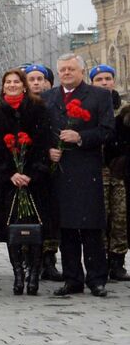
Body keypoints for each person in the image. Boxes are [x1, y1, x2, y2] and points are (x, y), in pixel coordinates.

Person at [45, 53, 115, 296]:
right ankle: (72, 278)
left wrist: (81, 137)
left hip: (86, 170)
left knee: (91, 228)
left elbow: (107, 131)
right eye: (62, 69)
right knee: (66, 228)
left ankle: (97, 279)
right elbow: (40, 131)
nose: (66, 73)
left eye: (71, 69)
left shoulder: (99, 96)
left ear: (82, 72)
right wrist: (48, 150)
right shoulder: (48, 97)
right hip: (60, 171)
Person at [0, 68, 53, 295]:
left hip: (35, 181)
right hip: (9, 183)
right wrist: (11, 173)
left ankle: (33, 274)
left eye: (16, 82)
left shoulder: (38, 109)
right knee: (13, 231)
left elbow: (43, 144)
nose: (12, 85)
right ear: (3, 87)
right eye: (8, 83)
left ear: (24, 86)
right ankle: (18, 275)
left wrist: (31, 173)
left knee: (35, 230)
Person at [24, 64, 64, 281]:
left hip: (53, 169)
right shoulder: (21, 106)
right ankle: (30, 261)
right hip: (29, 169)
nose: (37, 83)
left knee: (51, 215)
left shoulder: (56, 104)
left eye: (41, 78)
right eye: (32, 79)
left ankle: (49, 259)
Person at [90, 65, 130, 281]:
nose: (104, 83)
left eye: (108, 78)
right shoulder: (91, 107)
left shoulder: (125, 110)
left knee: (120, 217)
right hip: (98, 172)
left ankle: (118, 261)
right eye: (99, 80)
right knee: (100, 217)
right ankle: (100, 261)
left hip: (121, 174)